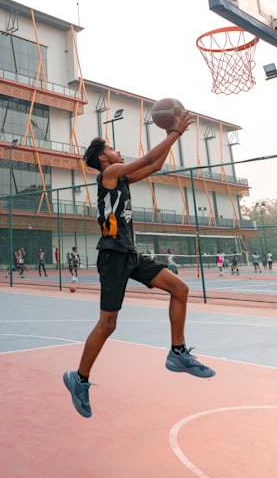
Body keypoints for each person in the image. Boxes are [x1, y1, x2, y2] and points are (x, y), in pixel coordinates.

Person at [64, 124, 214, 419]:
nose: (117, 150)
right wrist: (176, 133)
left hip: (130, 254)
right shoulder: (107, 175)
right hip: (112, 256)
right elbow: (146, 160)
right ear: (105, 159)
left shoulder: (122, 180)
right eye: (111, 148)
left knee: (180, 289)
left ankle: (178, 352)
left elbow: (154, 164)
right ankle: (78, 379)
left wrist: (170, 138)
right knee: (108, 325)